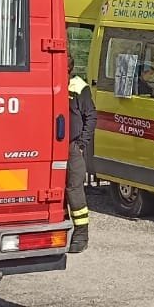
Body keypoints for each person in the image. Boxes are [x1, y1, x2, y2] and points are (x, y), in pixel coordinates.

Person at [67, 57, 97, 253]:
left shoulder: (79, 86)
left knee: (74, 189)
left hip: (71, 147)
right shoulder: (49, 81)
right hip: (48, 146)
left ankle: (81, 235)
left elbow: (91, 116)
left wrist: (81, 144)